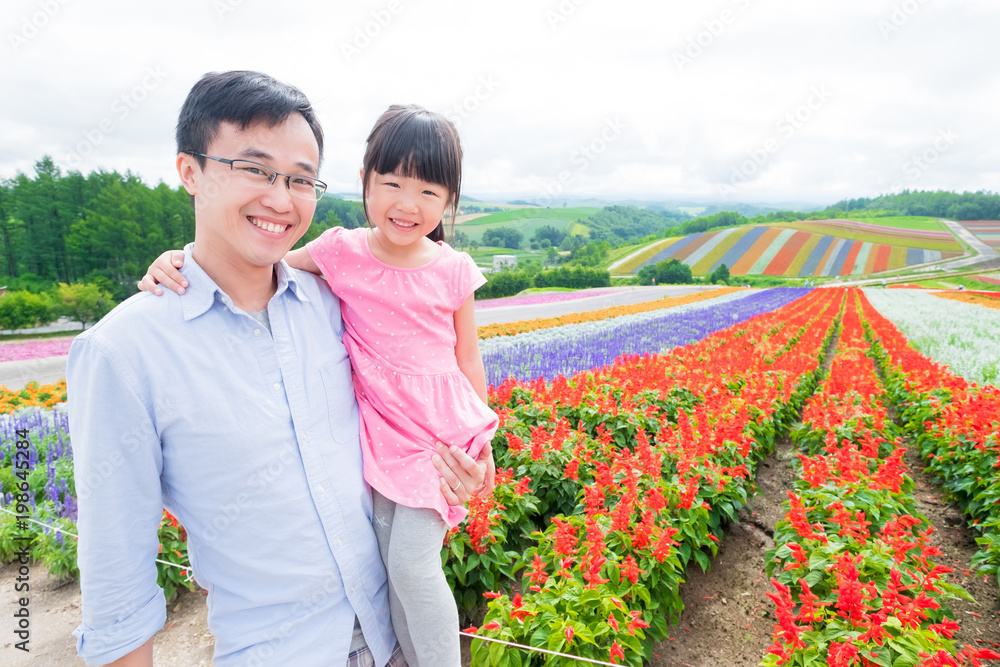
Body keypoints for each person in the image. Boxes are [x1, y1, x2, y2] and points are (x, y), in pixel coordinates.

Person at [68, 71, 492, 667]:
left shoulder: (333, 306)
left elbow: (433, 367)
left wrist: (472, 455)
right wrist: (175, 259)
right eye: (256, 169)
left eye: (299, 179)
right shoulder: (124, 351)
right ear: (189, 171)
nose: (280, 198)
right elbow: (117, 586)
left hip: (396, 642)